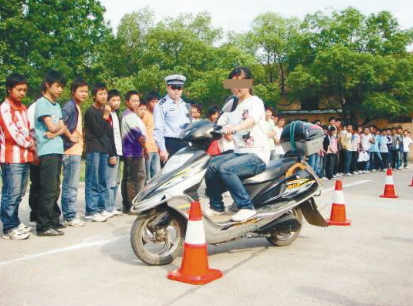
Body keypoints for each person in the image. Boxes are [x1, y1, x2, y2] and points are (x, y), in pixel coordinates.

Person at [205, 67, 269, 222]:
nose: (236, 87)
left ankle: (247, 207)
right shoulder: (232, 105)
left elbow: (251, 120)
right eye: (232, 83)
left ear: (250, 83)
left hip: (256, 154)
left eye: (240, 82)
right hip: (239, 152)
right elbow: (220, 121)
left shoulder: (255, 102)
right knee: (210, 164)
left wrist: (234, 128)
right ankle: (217, 206)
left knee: (226, 169)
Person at [0, 73, 35, 240]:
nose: (22, 93)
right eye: (19, 89)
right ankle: (8, 227)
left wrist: (32, 144)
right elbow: (12, 132)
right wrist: (30, 143)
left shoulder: (23, 108)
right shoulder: (5, 108)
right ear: (9, 89)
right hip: (11, 158)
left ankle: (14, 220)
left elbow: (28, 130)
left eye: (24, 90)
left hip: (24, 157)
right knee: (11, 193)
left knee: (20, 192)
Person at [34, 70, 67, 236]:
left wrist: (55, 131)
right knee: (47, 188)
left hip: (57, 149)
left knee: (55, 187)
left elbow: (61, 128)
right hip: (47, 151)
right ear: (48, 84)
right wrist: (56, 130)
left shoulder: (56, 105)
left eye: (62, 87)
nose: (60, 90)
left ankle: (54, 219)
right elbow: (53, 126)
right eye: (57, 86)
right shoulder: (42, 103)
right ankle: (43, 225)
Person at [84, 82, 116, 222]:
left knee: (102, 180)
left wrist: (111, 152)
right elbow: (98, 131)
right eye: (100, 94)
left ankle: (101, 208)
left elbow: (108, 134)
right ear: (94, 96)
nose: (104, 96)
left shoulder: (104, 112)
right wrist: (105, 115)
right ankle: (91, 210)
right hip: (94, 149)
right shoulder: (90, 112)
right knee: (93, 180)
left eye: (105, 93)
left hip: (104, 149)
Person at [60, 78, 88, 227]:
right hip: (70, 151)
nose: (84, 94)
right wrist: (70, 136)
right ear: (73, 92)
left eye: (86, 91)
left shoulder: (76, 106)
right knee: (70, 184)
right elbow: (60, 123)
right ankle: (69, 215)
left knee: (72, 184)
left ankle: (69, 213)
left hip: (75, 150)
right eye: (81, 91)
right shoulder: (70, 106)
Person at [153, 74, 191, 163]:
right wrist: (162, 149)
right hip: (170, 144)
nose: (176, 90)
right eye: (173, 87)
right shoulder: (161, 105)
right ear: (167, 88)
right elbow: (158, 128)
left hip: (184, 143)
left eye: (179, 87)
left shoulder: (184, 104)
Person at [121, 91, 147, 214]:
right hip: (132, 151)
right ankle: (131, 205)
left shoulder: (132, 115)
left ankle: (127, 204)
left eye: (137, 100)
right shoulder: (129, 116)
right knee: (132, 179)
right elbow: (140, 136)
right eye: (133, 101)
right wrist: (145, 147)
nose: (136, 103)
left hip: (133, 151)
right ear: (127, 102)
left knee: (129, 178)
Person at [104, 89, 123, 216]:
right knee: (110, 180)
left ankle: (112, 205)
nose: (116, 103)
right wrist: (111, 153)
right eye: (113, 100)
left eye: (118, 100)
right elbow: (107, 135)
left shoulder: (116, 113)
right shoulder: (107, 114)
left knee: (116, 180)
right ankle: (107, 207)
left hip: (118, 149)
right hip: (111, 150)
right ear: (108, 101)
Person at [142, 91, 161, 182]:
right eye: (153, 101)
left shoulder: (159, 115)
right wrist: (143, 148)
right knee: (146, 177)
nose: (155, 104)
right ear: (148, 102)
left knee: (157, 177)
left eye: (157, 101)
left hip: (156, 149)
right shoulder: (144, 114)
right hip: (147, 149)